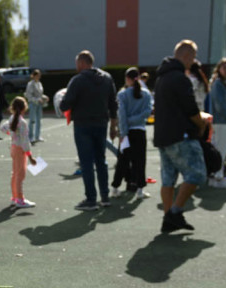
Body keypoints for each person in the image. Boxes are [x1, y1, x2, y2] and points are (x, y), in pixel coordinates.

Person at [153, 39, 210, 233]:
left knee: (168, 179)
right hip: (180, 135)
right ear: (186, 56)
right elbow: (191, 108)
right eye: (192, 57)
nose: (193, 62)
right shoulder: (179, 78)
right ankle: (174, 213)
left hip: (163, 136)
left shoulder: (161, 78)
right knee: (197, 174)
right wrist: (201, 125)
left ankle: (168, 219)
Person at [60, 50, 119, 211]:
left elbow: (65, 105)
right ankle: (105, 197)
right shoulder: (107, 78)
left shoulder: (77, 80)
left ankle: (91, 199)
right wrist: (113, 126)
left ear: (81, 63)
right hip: (102, 123)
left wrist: (64, 100)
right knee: (101, 161)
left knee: (86, 163)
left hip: (83, 125)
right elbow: (113, 104)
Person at [112, 67, 153, 199]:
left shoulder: (122, 94)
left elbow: (122, 116)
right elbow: (147, 112)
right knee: (140, 161)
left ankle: (115, 187)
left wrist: (123, 132)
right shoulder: (146, 94)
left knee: (123, 161)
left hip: (127, 132)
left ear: (127, 79)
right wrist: (136, 119)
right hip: (140, 131)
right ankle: (140, 189)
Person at [207, 58, 226, 189]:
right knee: (220, 150)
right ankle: (218, 177)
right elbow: (219, 105)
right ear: (219, 69)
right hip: (221, 122)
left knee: (222, 149)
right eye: (224, 67)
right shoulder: (218, 84)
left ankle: (217, 176)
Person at [6, 97, 37, 208]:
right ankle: (20, 199)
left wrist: (12, 134)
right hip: (19, 149)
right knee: (20, 174)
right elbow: (25, 141)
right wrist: (30, 156)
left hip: (14, 147)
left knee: (15, 174)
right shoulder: (22, 122)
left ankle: (14, 197)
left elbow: (3, 127)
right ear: (24, 108)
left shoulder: (12, 118)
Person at [24, 69, 48, 143]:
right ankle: (30, 136)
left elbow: (40, 94)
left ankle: (37, 136)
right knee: (32, 120)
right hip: (33, 103)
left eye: (39, 76)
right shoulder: (30, 84)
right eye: (37, 75)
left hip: (39, 104)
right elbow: (29, 95)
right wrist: (37, 100)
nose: (38, 77)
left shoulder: (39, 83)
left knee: (39, 120)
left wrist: (44, 97)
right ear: (33, 76)